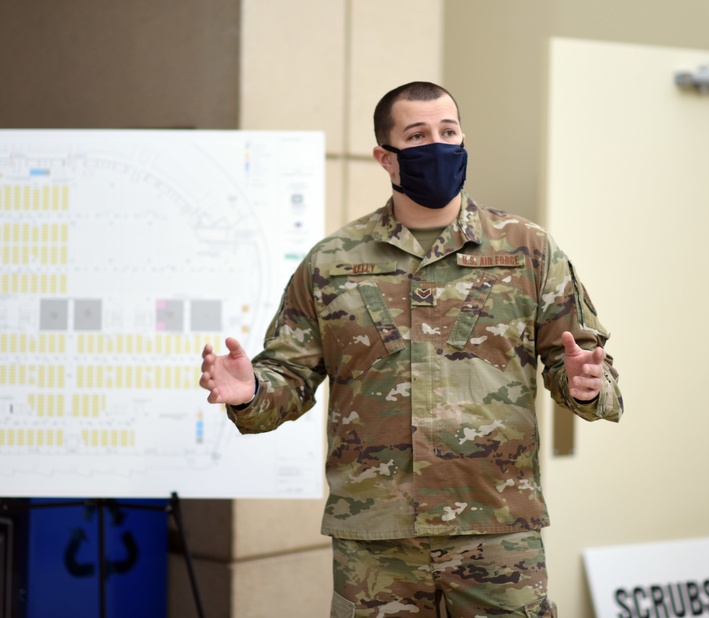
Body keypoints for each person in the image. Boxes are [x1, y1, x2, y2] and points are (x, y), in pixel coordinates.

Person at [200, 81, 623, 618]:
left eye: (448, 132)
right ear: (387, 157)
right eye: (418, 135)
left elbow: (579, 358)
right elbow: (290, 375)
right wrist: (251, 391)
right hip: (377, 531)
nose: (438, 145)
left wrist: (588, 383)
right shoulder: (331, 262)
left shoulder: (527, 249)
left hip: (496, 525)